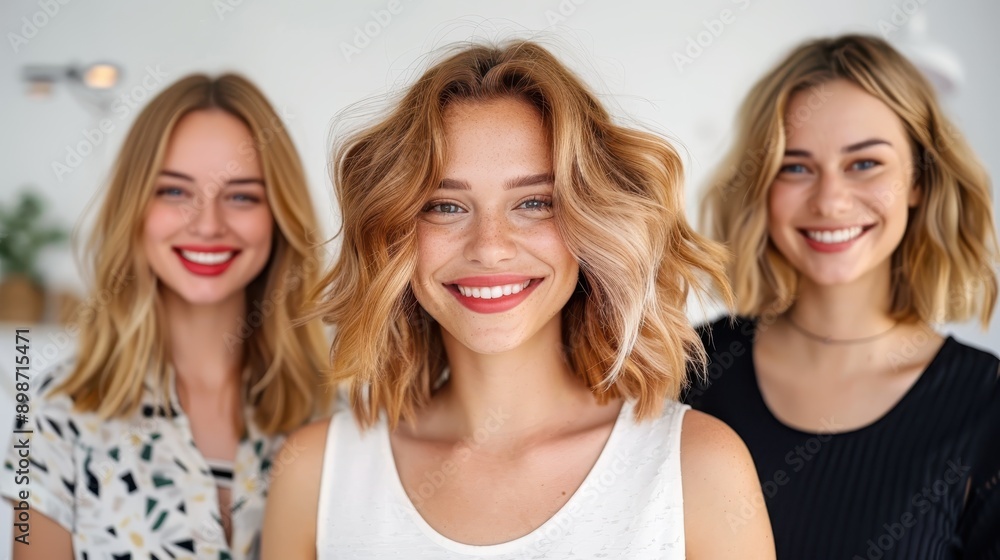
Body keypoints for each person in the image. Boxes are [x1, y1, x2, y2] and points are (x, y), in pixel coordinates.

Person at [262, 40, 775, 559]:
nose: (489, 247)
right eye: (444, 206)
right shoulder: (314, 472)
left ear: (592, 221)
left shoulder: (698, 468)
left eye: (534, 203)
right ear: (394, 233)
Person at [689, 34, 1000, 559]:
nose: (830, 201)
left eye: (864, 164)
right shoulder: (685, 369)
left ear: (920, 180)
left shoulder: (986, 403)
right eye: (795, 166)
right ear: (761, 185)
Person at [1, 74, 330, 560]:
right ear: (134, 207)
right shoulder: (52, 412)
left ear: (279, 214)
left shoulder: (334, 413)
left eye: (242, 196)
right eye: (175, 192)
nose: (208, 224)